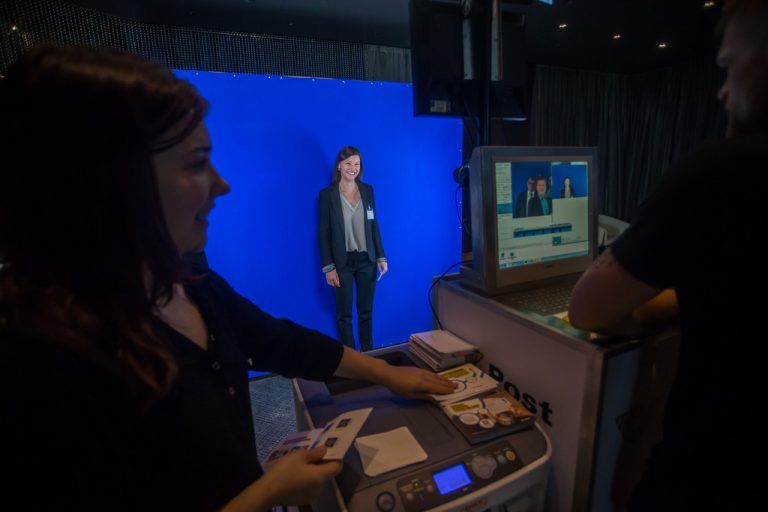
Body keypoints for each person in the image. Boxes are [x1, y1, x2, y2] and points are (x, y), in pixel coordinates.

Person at [0, 46, 455, 511]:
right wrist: (269, 492)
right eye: (197, 163)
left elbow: (279, 341)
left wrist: (387, 374)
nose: (222, 184)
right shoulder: (40, 359)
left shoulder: (191, 280)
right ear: (115, 178)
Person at [568, 1, 767, 509]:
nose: (721, 91)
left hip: (717, 467)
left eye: (729, 66)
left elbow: (587, 309)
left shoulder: (720, 172)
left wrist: (649, 309)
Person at [318, 147, 387, 352]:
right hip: (342, 263)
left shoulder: (367, 191)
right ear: (339, 166)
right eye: (348, 163)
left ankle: (369, 355)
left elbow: (374, 225)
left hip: (367, 260)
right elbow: (323, 233)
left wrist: (381, 256)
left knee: (366, 314)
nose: (353, 168)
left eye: (357, 164)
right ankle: (351, 360)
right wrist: (328, 267)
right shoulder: (327, 195)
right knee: (344, 316)